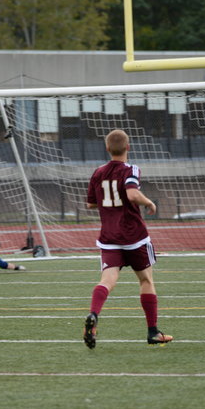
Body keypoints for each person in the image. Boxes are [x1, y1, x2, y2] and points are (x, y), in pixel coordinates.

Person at [83, 129, 173, 349]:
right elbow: (132, 194)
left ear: (107, 148)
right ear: (128, 147)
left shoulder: (98, 172)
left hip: (109, 237)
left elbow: (91, 204)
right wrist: (149, 202)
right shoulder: (131, 169)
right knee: (146, 280)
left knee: (107, 281)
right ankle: (153, 332)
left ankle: (93, 314)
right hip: (134, 237)